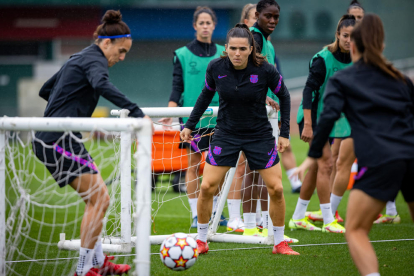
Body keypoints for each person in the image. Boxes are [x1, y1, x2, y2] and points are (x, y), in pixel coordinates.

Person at [293, 14, 414, 276]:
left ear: (355, 46)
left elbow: (327, 120)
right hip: (410, 156)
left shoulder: (345, 80)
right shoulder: (402, 79)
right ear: (381, 46)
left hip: (382, 160)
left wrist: (311, 157)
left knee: (356, 230)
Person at [32, 10, 150, 276]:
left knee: (98, 200)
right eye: (121, 51)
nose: (121, 58)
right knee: (99, 199)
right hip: (56, 140)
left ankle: (99, 264)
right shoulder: (94, 59)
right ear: (106, 43)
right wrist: (137, 112)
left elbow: (45, 90)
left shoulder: (80, 57)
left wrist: (70, 107)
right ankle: (84, 269)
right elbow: (101, 84)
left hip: (64, 137)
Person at [181, 23, 299, 256]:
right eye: (233, 48)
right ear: (226, 48)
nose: (237, 53)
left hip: (259, 136)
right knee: (206, 187)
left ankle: (278, 243)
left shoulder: (266, 70)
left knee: (275, 188)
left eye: (242, 49)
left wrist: (284, 133)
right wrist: (190, 126)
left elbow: (284, 95)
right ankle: (202, 240)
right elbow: (205, 95)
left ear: (251, 49)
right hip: (226, 134)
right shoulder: (216, 67)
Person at [158, 7, 227, 228]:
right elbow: (177, 87)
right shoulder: (182, 55)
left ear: (214, 25)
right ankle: (197, 214)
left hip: (220, 117)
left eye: (209, 22)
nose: (205, 26)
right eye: (201, 22)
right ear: (195, 26)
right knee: (193, 165)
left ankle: (216, 209)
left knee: (219, 164)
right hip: (192, 118)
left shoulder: (224, 52)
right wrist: (170, 112)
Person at [289, 15, 356, 234]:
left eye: (353, 36)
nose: (349, 40)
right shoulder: (323, 58)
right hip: (312, 118)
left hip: (334, 121)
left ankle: (298, 217)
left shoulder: (357, 59)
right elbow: (308, 91)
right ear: (337, 34)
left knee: (319, 166)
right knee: (327, 164)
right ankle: (328, 220)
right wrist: (307, 124)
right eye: (345, 35)